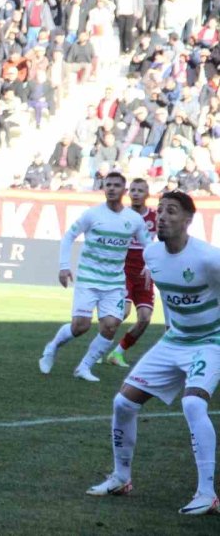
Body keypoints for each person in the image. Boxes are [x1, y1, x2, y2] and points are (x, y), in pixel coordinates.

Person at [86, 191, 218, 516]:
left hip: (211, 340)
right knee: (123, 403)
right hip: (175, 339)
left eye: (171, 211)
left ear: (188, 220)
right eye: (160, 211)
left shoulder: (208, 259)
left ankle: (207, 494)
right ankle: (121, 478)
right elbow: (170, 298)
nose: (162, 217)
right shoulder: (152, 254)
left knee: (193, 403)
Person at [39, 172, 150, 381]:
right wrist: (64, 266)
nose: (112, 188)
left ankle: (84, 367)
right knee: (81, 326)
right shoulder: (92, 215)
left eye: (116, 185)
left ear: (124, 191)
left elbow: (148, 245)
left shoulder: (134, 219)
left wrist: (150, 265)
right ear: (104, 188)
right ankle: (52, 347)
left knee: (111, 325)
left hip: (114, 282)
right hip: (89, 279)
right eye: (108, 185)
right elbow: (68, 237)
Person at [105, 178, 158, 367]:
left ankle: (117, 353)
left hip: (145, 274)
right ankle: (99, 348)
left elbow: (162, 243)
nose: (136, 193)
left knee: (144, 318)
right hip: (125, 271)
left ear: (147, 194)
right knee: (123, 312)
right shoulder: (122, 216)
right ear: (128, 193)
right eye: (133, 190)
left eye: (140, 190)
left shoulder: (155, 217)